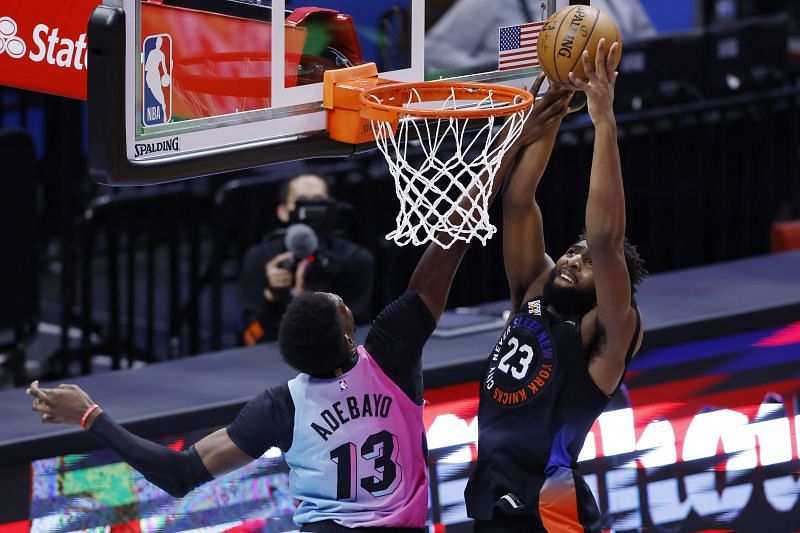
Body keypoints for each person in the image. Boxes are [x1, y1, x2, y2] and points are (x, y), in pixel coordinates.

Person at [25, 87, 573, 532]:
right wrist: (507, 150)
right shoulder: (388, 354)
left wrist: (90, 416)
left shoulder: (280, 407)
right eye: (339, 304)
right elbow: (450, 238)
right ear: (349, 335)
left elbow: (179, 472)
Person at [464, 39, 647, 532]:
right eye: (572, 250)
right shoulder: (533, 291)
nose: (573, 258)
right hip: (497, 494)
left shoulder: (606, 329)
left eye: (587, 264)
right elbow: (520, 200)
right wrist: (554, 103)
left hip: (551, 508)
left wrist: (603, 120)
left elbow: (608, 240)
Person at [238, 174, 375, 344]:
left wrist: (308, 303)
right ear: (282, 211)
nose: (311, 208)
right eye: (302, 201)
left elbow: (355, 340)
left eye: (319, 200)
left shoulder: (354, 260)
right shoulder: (261, 258)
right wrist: (271, 298)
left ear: (332, 207)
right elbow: (251, 338)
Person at [425, 0, 656, 75]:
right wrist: (499, 73)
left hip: (612, 125)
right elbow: (432, 52)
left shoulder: (616, 3)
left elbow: (653, 50)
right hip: (523, 132)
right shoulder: (491, 3)